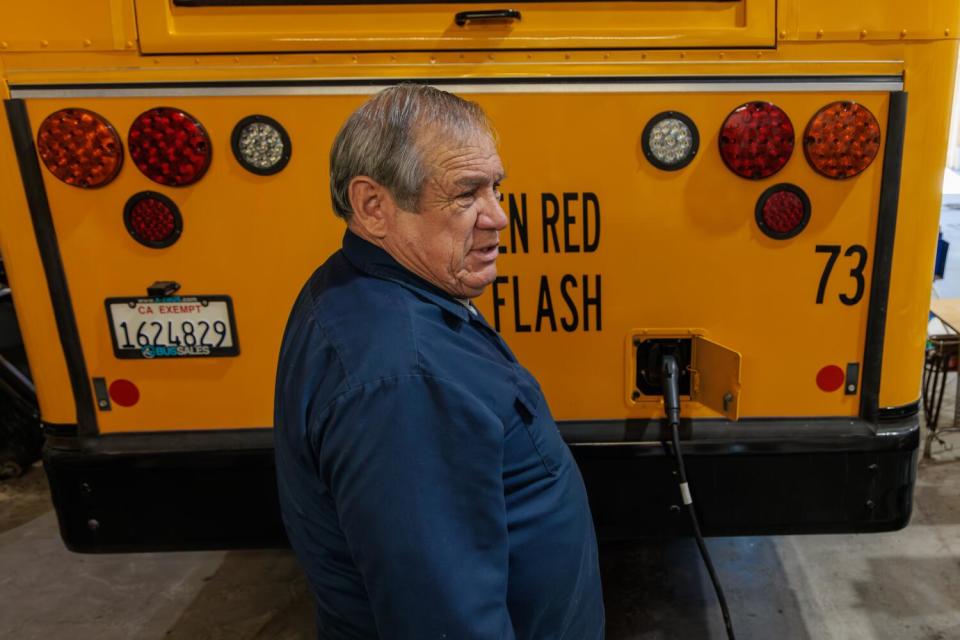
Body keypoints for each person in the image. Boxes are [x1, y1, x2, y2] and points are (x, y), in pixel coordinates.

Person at [274, 84, 604, 639]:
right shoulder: (404, 383)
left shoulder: (366, 289)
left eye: (497, 187)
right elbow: (441, 619)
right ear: (373, 206)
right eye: (465, 194)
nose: (498, 217)